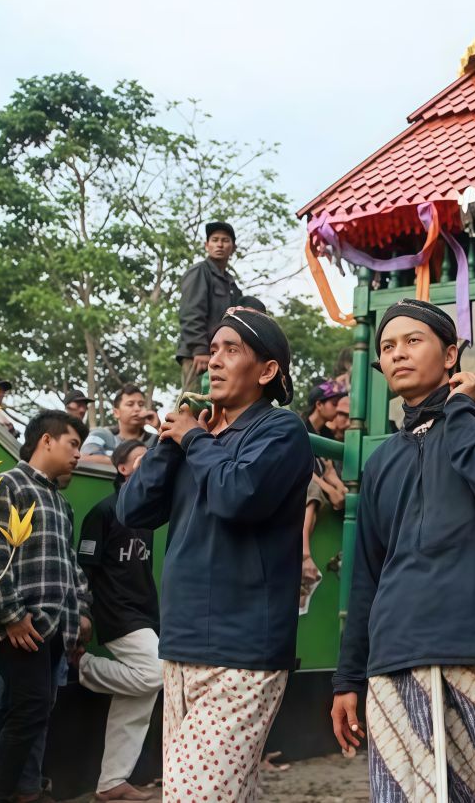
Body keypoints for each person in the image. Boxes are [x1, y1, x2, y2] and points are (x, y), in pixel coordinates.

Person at [330, 299, 475, 802]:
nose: (397, 354)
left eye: (412, 341)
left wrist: (461, 410)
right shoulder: (382, 460)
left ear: (451, 355)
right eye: (387, 347)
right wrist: (347, 678)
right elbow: (366, 576)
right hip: (397, 657)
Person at [118, 306, 311, 800]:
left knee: (191, 797)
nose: (214, 362)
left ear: (267, 371)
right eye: (214, 350)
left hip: (243, 649)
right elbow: (132, 511)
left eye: (232, 350)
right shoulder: (195, 439)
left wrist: (196, 438)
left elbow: (238, 496)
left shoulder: (280, 431)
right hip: (182, 645)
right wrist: (169, 443)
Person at [0, 411, 92, 803]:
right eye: (73, 443)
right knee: (28, 710)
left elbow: (70, 568)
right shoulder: (5, 485)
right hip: (20, 627)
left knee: (30, 711)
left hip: (55, 629)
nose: (78, 454)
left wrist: (79, 619)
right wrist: (11, 615)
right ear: (46, 441)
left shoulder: (61, 503)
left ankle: (23, 792)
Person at [76, 439, 163, 801]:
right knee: (157, 673)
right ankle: (81, 668)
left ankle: (112, 782)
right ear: (122, 469)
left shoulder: (146, 517)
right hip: (115, 614)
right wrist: (82, 615)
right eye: (141, 460)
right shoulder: (103, 512)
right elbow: (85, 570)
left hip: (144, 614)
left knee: (137, 698)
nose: (149, 465)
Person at [176, 221, 242, 393]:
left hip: (220, 355)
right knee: (194, 406)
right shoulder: (200, 272)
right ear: (207, 245)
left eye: (225, 240)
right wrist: (200, 349)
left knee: (215, 408)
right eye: (214, 240)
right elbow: (191, 313)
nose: (219, 244)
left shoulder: (231, 284)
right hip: (199, 356)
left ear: (233, 248)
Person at [83, 384, 158, 465]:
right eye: (130, 404)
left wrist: (158, 427)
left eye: (141, 405)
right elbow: (85, 458)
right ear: (116, 412)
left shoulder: (156, 440)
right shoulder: (100, 434)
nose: (137, 408)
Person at [302, 379, 347, 444]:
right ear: (319, 405)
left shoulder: (328, 435)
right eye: (334, 404)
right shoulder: (299, 429)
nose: (338, 409)